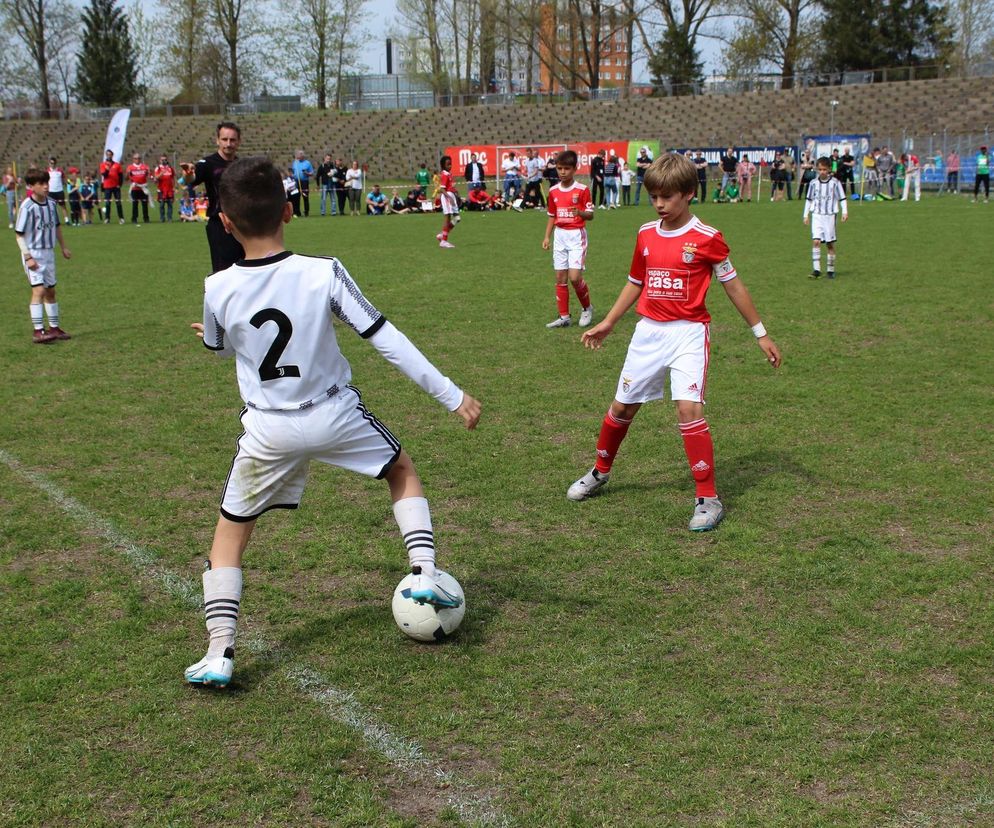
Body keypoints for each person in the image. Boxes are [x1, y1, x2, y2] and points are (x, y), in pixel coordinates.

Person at [185, 156, 481, 688]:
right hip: (332, 413)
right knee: (401, 472)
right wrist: (451, 394)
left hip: (268, 429)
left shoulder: (216, 287)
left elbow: (216, 344)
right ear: (290, 211)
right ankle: (425, 573)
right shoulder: (323, 271)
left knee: (230, 536)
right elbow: (385, 338)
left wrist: (218, 333)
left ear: (224, 223)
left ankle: (218, 651)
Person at [565, 153, 781, 532]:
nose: (659, 204)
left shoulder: (707, 238)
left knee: (688, 410)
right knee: (622, 407)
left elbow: (733, 285)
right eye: (654, 197)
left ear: (689, 194)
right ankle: (599, 472)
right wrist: (609, 322)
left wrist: (760, 333)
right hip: (648, 333)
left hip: (689, 334)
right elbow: (636, 281)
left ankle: (707, 497)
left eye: (667, 197)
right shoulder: (646, 234)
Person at [15, 167, 73, 344]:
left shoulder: (51, 204)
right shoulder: (27, 206)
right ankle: (38, 331)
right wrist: (27, 256)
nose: (46, 186)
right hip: (34, 254)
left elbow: (56, 227)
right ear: (31, 186)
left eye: (46, 182)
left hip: (49, 253)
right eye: (41, 183)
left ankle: (54, 328)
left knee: (51, 291)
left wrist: (63, 247)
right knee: (38, 290)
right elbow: (19, 234)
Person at [179, 121, 245, 272]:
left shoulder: (242, 165)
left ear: (239, 142)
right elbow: (191, 180)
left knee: (245, 270)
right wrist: (188, 174)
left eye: (232, 140)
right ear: (217, 140)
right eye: (224, 139)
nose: (228, 144)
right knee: (223, 272)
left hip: (242, 225)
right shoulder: (207, 163)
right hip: (219, 225)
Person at [542, 149, 595, 329]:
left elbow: (590, 215)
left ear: (574, 169)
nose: (562, 172)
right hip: (560, 235)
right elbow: (551, 215)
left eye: (566, 168)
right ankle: (564, 316)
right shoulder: (553, 191)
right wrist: (547, 236)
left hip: (576, 235)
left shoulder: (582, 190)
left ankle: (587, 308)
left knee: (574, 277)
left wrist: (579, 213)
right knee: (560, 277)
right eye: (559, 168)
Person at [804, 156, 848, 279]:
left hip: (829, 216)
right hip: (817, 215)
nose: (822, 172)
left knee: (829, 244)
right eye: (820, 169)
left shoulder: (835, 183)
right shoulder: (813, 183)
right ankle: (816, 270)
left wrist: (845, 212)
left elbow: (842, 198)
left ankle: (830, 270)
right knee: (816, 241)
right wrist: (805, 215)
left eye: (824, 169)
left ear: (829, 169)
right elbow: (809, 199)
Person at [436, 154, 459, 248]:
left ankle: (442, 235)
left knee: (457, 218)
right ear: (443, 166)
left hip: (451, 195)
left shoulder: (449, 174)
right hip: (447, 196)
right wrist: (449, 197)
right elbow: (442, 189)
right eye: (448, 164)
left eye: (450, 164)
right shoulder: (444, 174)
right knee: (447, 217)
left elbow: (450, 187)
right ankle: (444, 241)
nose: (450, 166)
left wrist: (456, 193)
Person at [99, 149, 125, 224]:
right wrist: (107, 170)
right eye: (107, 154)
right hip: (107, 187)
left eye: (110, 154)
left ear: (112, 155)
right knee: (107, 203)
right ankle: (107, 218)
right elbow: (104, 175)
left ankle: (121, 218)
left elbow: (120, 176)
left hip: (116, 187)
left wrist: (119, 185)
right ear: (106, 155)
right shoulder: (103, 165)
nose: (109, 156)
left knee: (118, 202)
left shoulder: (117, 165)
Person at [126, 152, 151, 224]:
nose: (137, 160)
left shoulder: (145, 166)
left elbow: (149, 176)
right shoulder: (130, 167)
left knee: (144, 204)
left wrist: (149, 173)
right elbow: (126, 178)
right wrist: (128, 173)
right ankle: (134, 218)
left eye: (138, 158)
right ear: (133, 159)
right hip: (135, 188)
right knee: (135, 204)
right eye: (135, 158)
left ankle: (146, 218)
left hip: (143, 188)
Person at [292, 149, 314, 216]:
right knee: (296, 197)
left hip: (304, 182)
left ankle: (306, 212)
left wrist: (307, 173)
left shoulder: (307, 163)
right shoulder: (295, 162)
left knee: (305, 196)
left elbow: (312, 173)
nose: (298, 156)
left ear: (302, 156)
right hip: (296, 182)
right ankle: (297, 212)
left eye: (299, 155)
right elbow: (293, 171)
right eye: (298, 155)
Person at [154, 155, 176, 221]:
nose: (164, 161)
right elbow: (156, 178)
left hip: (169, 189)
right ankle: (162, 218)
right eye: (162, 160)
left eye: (165, 159)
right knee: (161, 205)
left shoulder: (170, 168)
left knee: (170, 204)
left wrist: (174, 187)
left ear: (167, 160)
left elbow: (173, 178)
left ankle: (169, 218)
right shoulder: (158, 168)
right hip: (161, 189)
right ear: (160, 160)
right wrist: (161, 173)